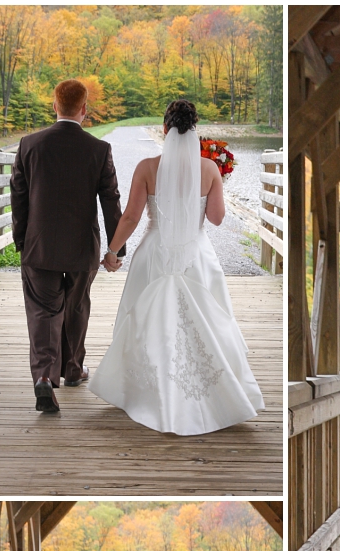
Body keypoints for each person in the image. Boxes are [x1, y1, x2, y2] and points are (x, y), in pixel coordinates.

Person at [87, 99, 264, 435]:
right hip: (196, 256)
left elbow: (131, 217)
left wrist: (112, 252)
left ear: (165, 130)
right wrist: (215, 186)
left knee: (146, 322)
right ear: (195, 131)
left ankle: (150, 393)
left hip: (155, 253)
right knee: (209, 323)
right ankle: (212, 395)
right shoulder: (209, 169)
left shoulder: (147, 167)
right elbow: (216, 218)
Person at [10, 79, 124, 414]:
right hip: (81, 248)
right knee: (75, 308)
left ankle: (45, 377)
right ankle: (73, 370)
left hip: (39, 247)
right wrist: (115, 250)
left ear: (54, 105)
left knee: (44, 313)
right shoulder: (98, 150)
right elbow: (110, 201)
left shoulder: (29, 145)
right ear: (84, 110)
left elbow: (17, 196)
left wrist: (22, 239)